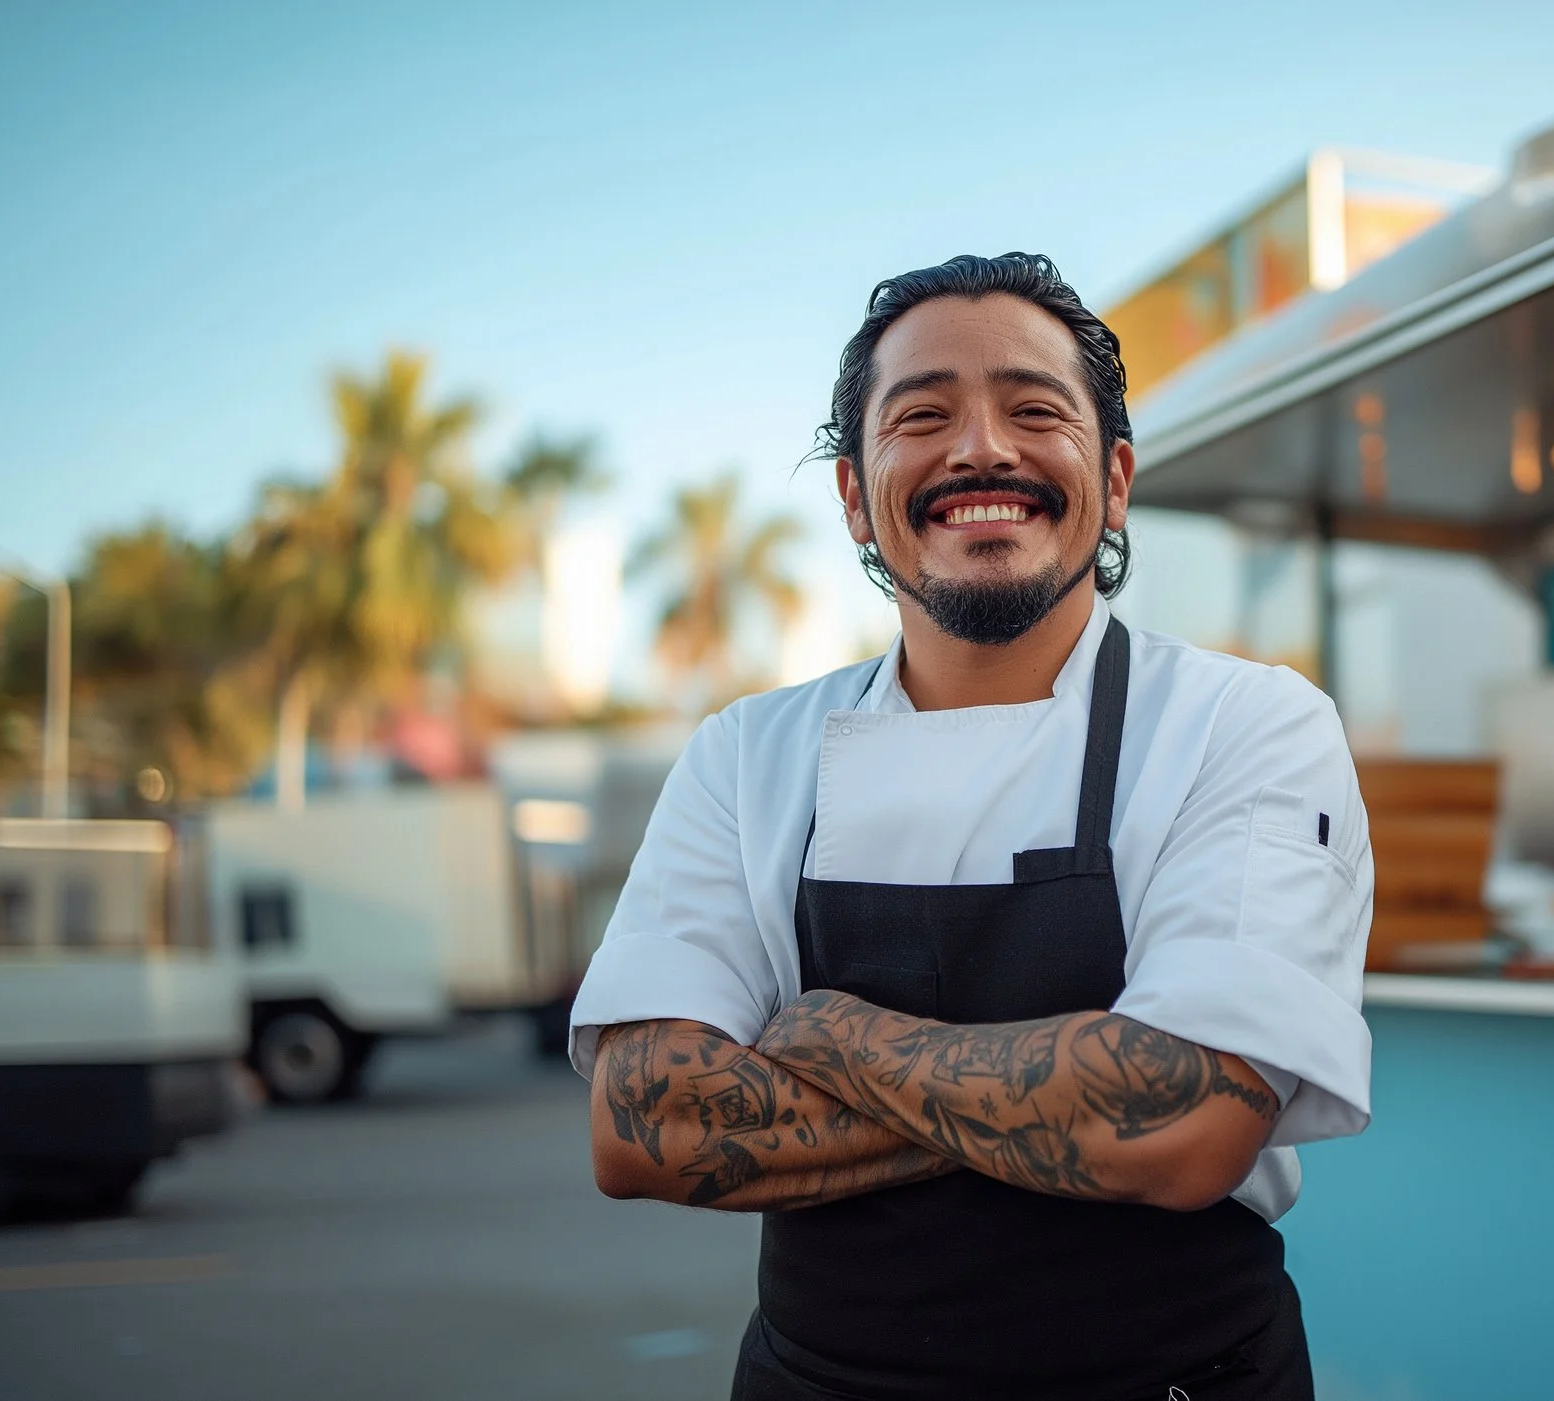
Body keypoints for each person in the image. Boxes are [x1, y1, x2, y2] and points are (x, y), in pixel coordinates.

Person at [571, 252, 1374, 1400]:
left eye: (1034, 409)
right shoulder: (746, 754)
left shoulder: (1244, 723)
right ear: (856, 492)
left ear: (1115, 475)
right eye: (923, 414)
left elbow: (1190, 1126)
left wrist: (836, 1037)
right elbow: (643, 1125)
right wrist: (1087, 1106)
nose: (982, 448)